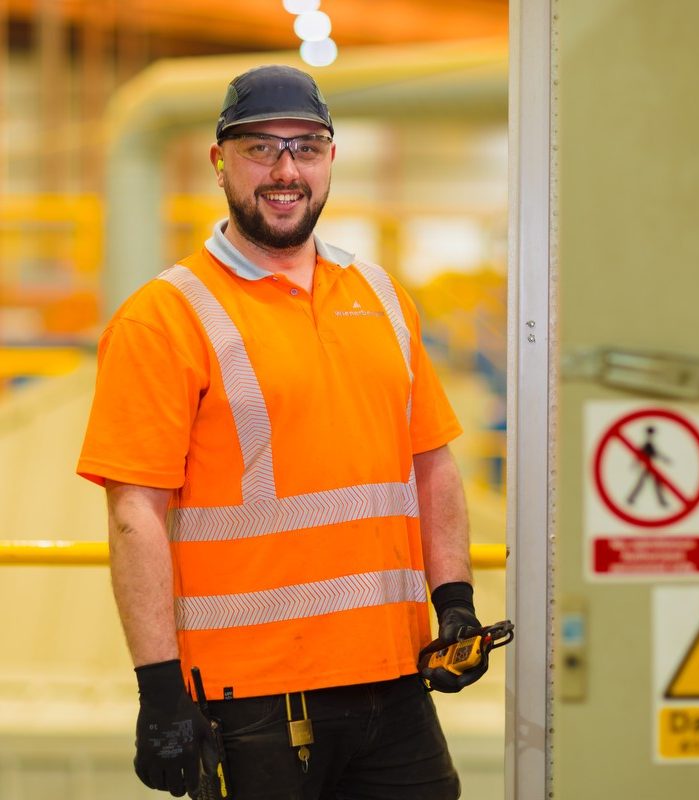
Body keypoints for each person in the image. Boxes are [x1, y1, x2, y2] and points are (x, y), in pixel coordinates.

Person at [77, 64, 487, 800]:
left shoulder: (382, 296)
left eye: (306, 147)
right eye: (260, 148)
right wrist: (159, 689)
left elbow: (431, 462)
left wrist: (453, 600)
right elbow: (134, 511)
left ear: (331, 157)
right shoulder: (162, 319)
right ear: (219, 161)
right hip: (255, 700)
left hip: (395, 680)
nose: (285, 170)